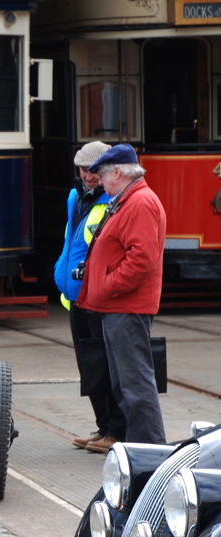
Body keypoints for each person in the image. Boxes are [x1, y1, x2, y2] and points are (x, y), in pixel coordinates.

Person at [77, 143, 167, 446]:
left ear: (118, 171)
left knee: (136, 386)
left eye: (102, 175)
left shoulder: (139, 202)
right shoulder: (127, 199)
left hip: (126, 307)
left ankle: (151, 453)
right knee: (125, 384)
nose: (99, 181)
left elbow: (142, 259)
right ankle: (139, 448)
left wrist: (107, 285)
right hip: (118, 306)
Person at [54, 141, 127, 453]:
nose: (87, 175)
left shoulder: (114, 200)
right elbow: (72, 239)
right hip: (76, 298)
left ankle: (116, 431)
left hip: (98, 298)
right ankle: (103, 428)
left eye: (93, 170)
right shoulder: (75, 197)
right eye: (83, 169)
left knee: (107, 366)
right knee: (90, 367)